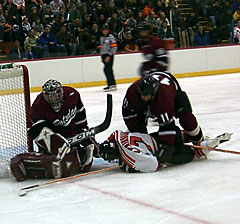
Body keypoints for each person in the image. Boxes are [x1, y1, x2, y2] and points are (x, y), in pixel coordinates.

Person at [10, 79, 99, 181]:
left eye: (56, 95)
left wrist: (83, 131)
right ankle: (25, 162)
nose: (53, 99)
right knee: (63, 163)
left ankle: (81, 155)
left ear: (61, 92)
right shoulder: (38, 106)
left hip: (70, 134)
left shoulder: (72, 94)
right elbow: (36, 131)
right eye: (49, 96)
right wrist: (57, 145)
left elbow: (80, 115)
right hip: (52, 136)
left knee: (75, 157)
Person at [122, 72, 205, 149]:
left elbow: (167, 127)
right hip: (157, 88)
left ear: (154, 93)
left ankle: (199, 139)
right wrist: (139, 136)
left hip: (172, 89)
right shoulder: (132, 92)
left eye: (146, 95)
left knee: (187, 120)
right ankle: (182, 136)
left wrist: (166, 146)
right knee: (138, 131)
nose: (143, 97)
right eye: (141, 94)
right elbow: (128, 114)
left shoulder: (164, 99)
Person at [99, 130, 231, 173]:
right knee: (176, 134)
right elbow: (114, 134)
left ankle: (209, 145)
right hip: (157, 137)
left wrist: (125, 166)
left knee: (190, 154)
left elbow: (154, 164)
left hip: (161, 150)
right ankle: (198, 139)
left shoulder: (129, 155)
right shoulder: (116, 136)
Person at [99, 24, 117, 91]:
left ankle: (111, 84)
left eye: (106, 30)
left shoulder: (111, 37)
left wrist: (109, 55)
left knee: (108, 69)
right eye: (103, 30)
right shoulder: (101, 38)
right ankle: (111, 84)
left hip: (109, 55)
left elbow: (114, 47)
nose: (105, 31)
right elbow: (101, 47)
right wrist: (101, 56)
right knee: (107, 69)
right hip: (104, 55)